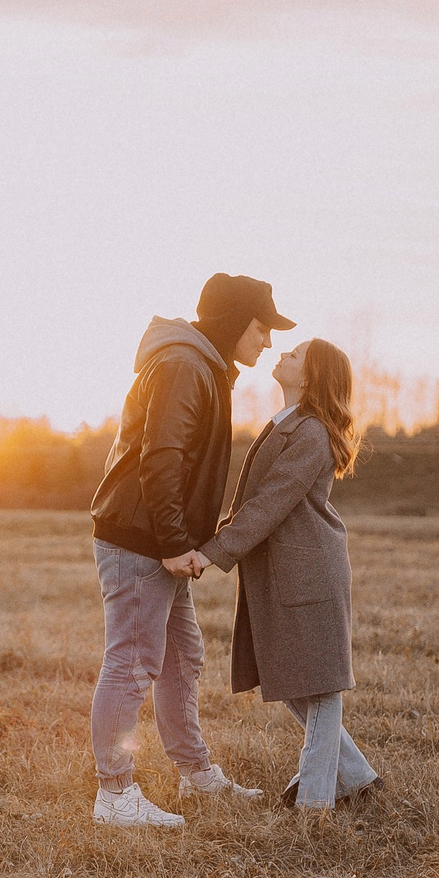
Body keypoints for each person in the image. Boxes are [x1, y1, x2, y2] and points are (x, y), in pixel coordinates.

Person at [85, 273, 290, 828]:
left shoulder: (201, 365)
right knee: (132, 663)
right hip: (143, 540)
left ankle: (196, 775)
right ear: (233, 322)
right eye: (261, 326)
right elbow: (163, 456)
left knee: (182, 657)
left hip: (157, 541)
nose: (267, 341)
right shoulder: (183, 365)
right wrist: (175, 543)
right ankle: (115, 797)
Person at [198, 338, 379, 812]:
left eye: (296, 355)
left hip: (309, 573)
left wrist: (215, 550)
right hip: (285, 573)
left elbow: (272, 501)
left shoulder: (313, 433)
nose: (283, 355)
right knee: (296, 683)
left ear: (312, 376)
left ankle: (315, 804)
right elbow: (257, 502)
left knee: (319, 687)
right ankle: (357, 777)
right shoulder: (288, 424)